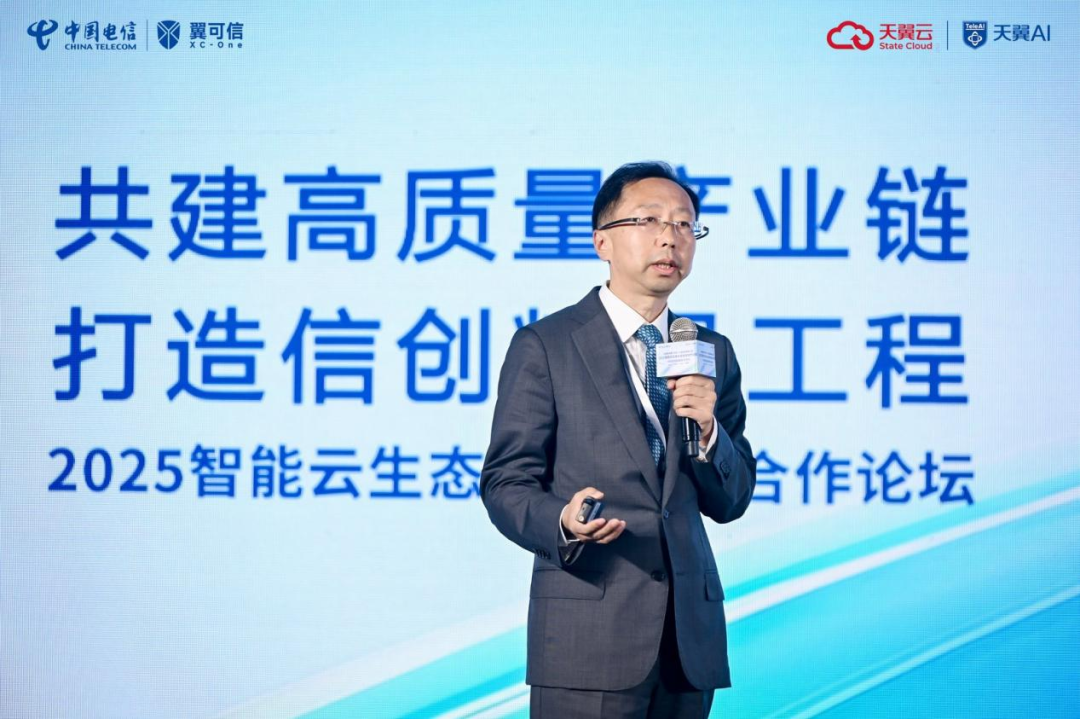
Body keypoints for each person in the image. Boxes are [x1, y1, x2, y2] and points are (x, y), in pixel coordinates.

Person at [480, 161, 755, 718]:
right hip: (586, 634)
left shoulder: (710, 351)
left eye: (684, 224)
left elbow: (733, 499)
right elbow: (506, 481)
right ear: (602, 241)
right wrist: (562, 521)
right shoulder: (547, 344)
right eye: (649, 220)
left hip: (687, 644)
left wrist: (709, 433)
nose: (670, 237)